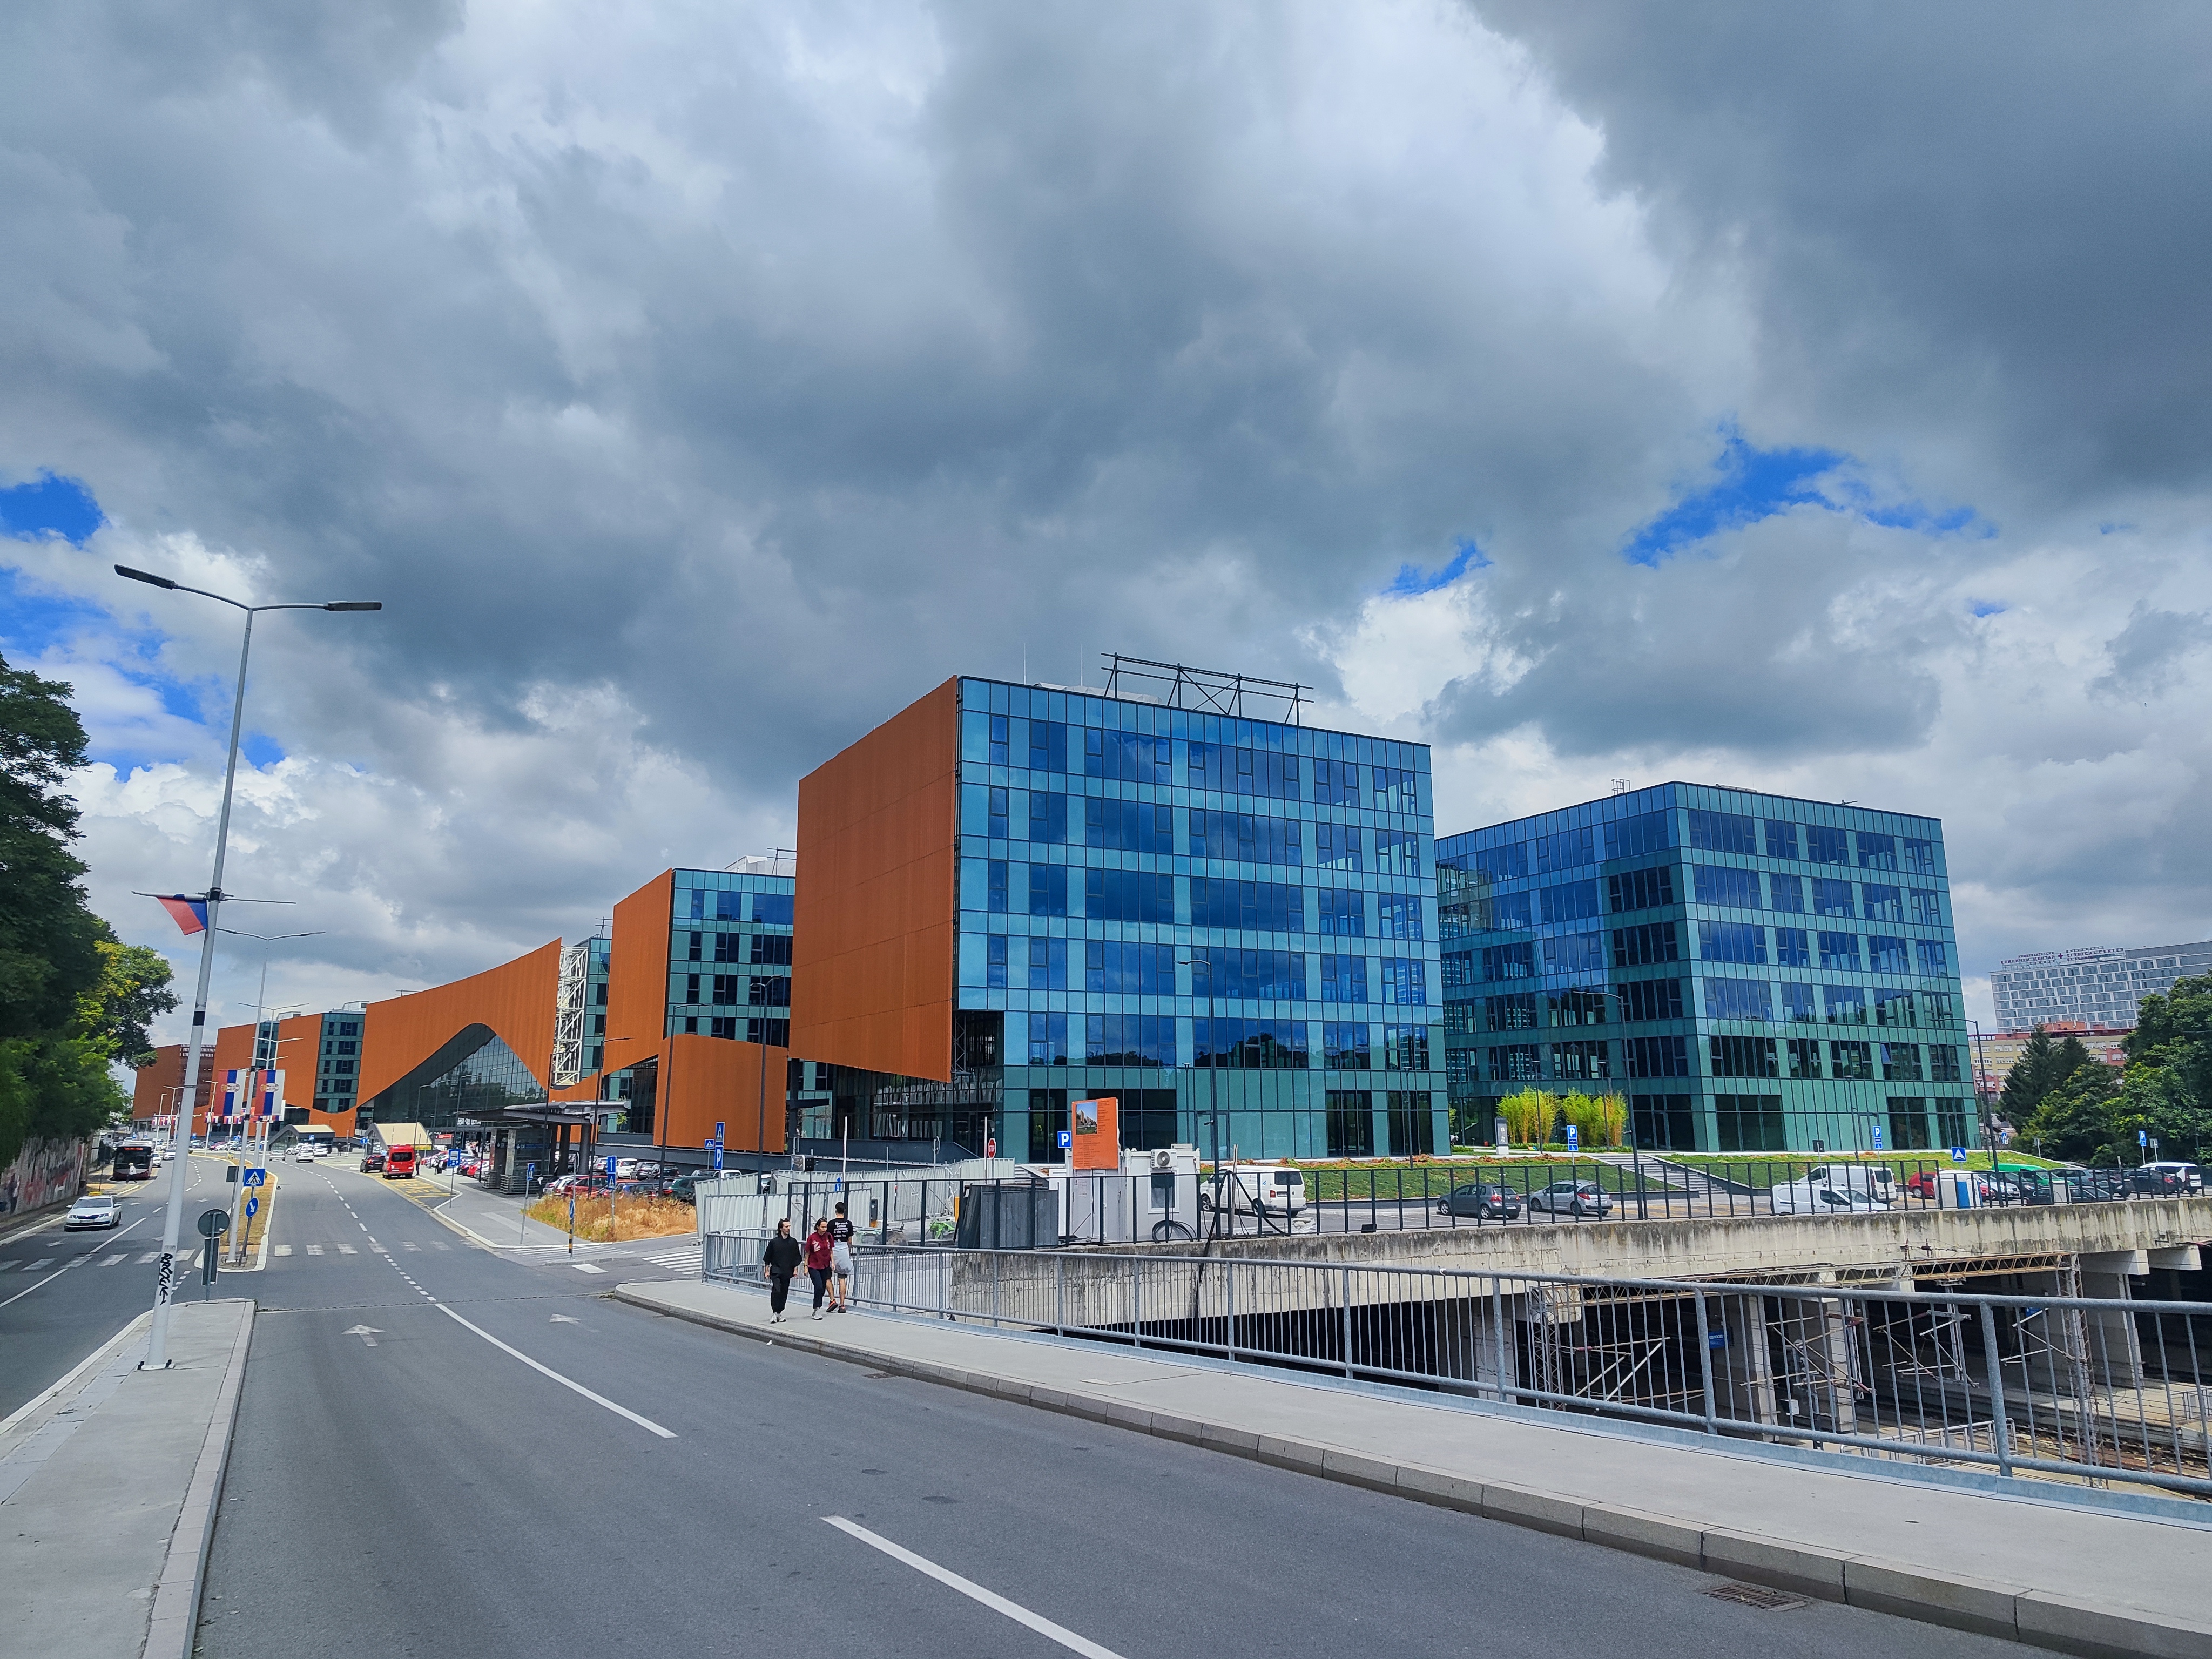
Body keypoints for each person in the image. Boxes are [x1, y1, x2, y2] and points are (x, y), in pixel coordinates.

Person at [761, 1219, 801, 1323]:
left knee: (784, 1292)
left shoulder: (793, 1242)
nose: (788, 1229)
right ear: (781, 1228)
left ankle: (779, 1313)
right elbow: (768, 1257)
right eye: (786, 1227)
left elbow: (796, 1257)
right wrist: (767, 1270)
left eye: (789, 1226)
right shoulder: (774, 1242)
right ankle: (775, 1312)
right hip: (776, 1271)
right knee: (777, 1289)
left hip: (787, 1271)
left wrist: (795, 1270)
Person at [803, 1217, 835, 1320]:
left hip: (825, 1266)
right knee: (819, 1287)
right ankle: (816, 1309)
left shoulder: (829, 1236)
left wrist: (833, 1263)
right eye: (823, 1227)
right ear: (818, 1227)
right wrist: (805, 1267)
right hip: (814, 1266)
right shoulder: (812, 1238)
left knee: (823, 1288)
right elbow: (807, 1253)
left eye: (826, 1227)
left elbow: (831, 1251)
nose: (824, 1229)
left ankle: (818, 1307)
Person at [828, 1201, 857, 1312]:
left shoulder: (831, 1224)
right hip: (844, 1249)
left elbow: (828, 1239)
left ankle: (832, 1299)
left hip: (833, 1249)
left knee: (827, 1275)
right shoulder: (849, 1224)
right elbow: (850, 1241)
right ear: (844, 1211)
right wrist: (848, 1251)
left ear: (836, 1210)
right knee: (842, 1277)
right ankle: (842, 1305)